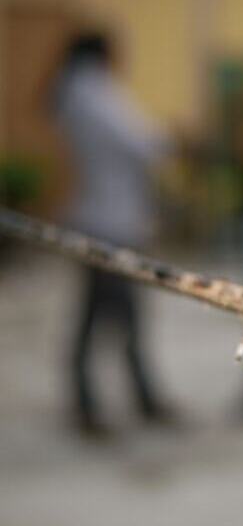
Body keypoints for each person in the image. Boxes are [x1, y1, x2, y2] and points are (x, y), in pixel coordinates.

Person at [51, 30, 171, 436]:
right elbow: (146, 143)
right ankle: (134, 401)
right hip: (112, 225)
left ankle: (101, 402)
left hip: (96, 218)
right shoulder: (93, 91)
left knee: (96, 315)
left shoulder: (69, 92)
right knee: (122, 316)